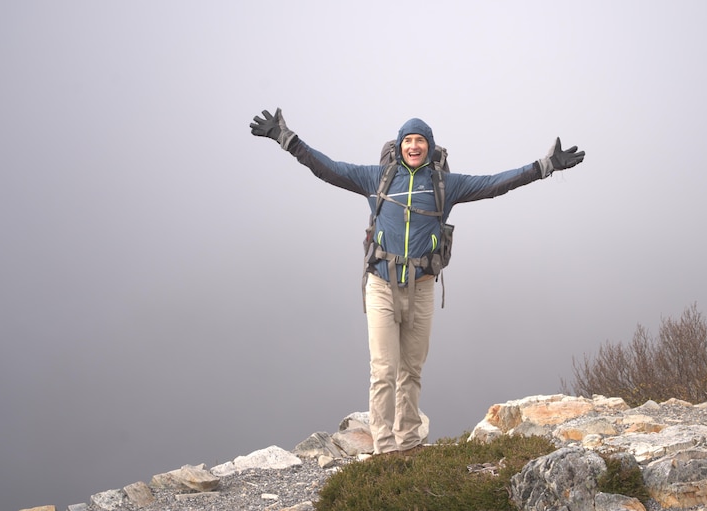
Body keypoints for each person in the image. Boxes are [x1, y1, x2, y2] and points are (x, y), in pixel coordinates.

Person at [249, 109, 585, 455]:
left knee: (411, 370)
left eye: (419, 140)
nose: (413, 145)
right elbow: (327, 168)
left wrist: (544, 167)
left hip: (422, 288)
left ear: (429, 146)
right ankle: (385, 448)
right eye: (407, 140)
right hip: (381, 286)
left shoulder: (445, 184)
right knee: (383, 371)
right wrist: (286, 139)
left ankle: (408, 442)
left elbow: (494, 184)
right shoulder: (376, 178)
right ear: (398, 146)